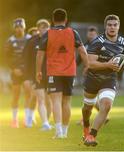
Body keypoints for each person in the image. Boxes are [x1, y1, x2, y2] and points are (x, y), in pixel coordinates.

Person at [36, 8, 89, 138]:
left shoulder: (47, 34)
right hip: (70, 72)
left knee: (56, 101)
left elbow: (40, 54)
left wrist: (38, 71)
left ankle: (58, 131)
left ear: (53, 20)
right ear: (66, 19)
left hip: (54, 72)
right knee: (67, 102)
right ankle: (65, 132)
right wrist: (87, 66)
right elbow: (82, 51)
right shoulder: (73, 33)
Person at [81, 14, 124, 146]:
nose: (112, 27)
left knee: (106, 105)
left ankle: (92, 135)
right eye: (109, 25)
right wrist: (108, 65)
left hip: (109, 79)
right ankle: (85, 127)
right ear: (105, 26)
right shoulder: (97, 41)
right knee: (87, 108)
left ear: (119, 26)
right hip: (93, 78)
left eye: (115, 25)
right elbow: (90, 64)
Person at [24, 19, 52, 130]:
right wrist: (29, 77)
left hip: (51, 74)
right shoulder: (32, 41)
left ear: (49, 28)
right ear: (38, 29)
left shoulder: (53, 40)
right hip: (37, 75)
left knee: (49, 100)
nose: (44, 29)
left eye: (46, 27)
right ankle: (42, 122)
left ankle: (47, 122)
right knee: (39, 98)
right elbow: (27, 60)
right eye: (42, 27)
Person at [4, 18, 32, 128]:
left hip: (26, 71)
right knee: (15, 95)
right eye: (17, 27)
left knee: (28, 92)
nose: (19, 29)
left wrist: (27, 68)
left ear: (24, 27)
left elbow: (32, 55)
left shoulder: (30, 39)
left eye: (20, 27)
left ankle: (27, 119)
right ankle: (14, 120)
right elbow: (6, 58)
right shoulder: (10, 40)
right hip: (15, 72)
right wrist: (13, 69)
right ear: (14, 28)